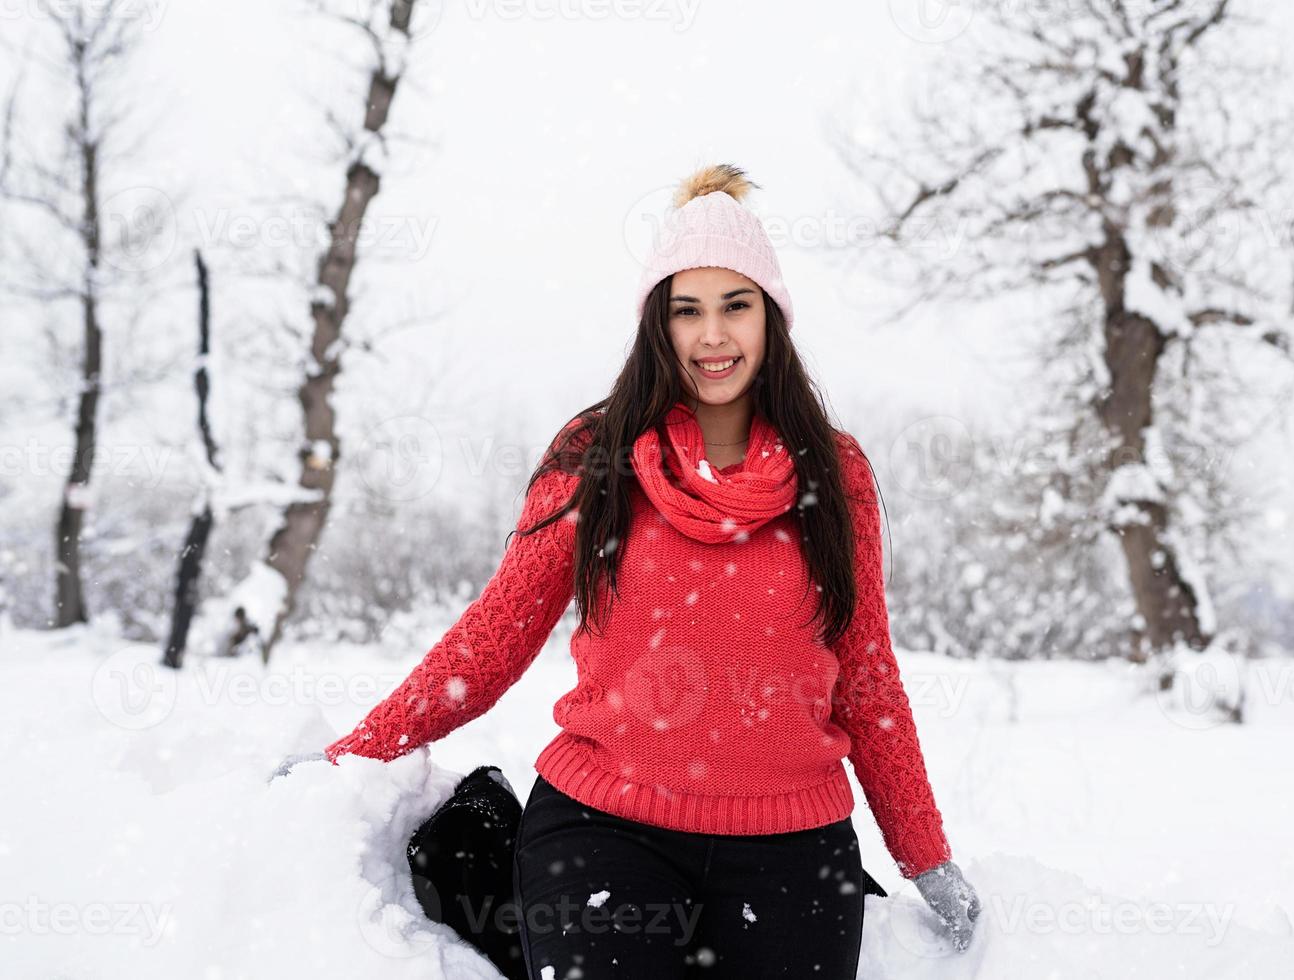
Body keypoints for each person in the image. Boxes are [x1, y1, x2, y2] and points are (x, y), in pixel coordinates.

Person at [294, 163, 981, 978]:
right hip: (603, 829)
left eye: (736, 305)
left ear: (773, 317)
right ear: (658, 323)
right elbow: (496, 637)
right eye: (686, 310)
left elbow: (864, 674)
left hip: (794, 842)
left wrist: (924, 855)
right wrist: (354, 754)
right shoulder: (597, 456)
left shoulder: (835, 473)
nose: (712, 336)